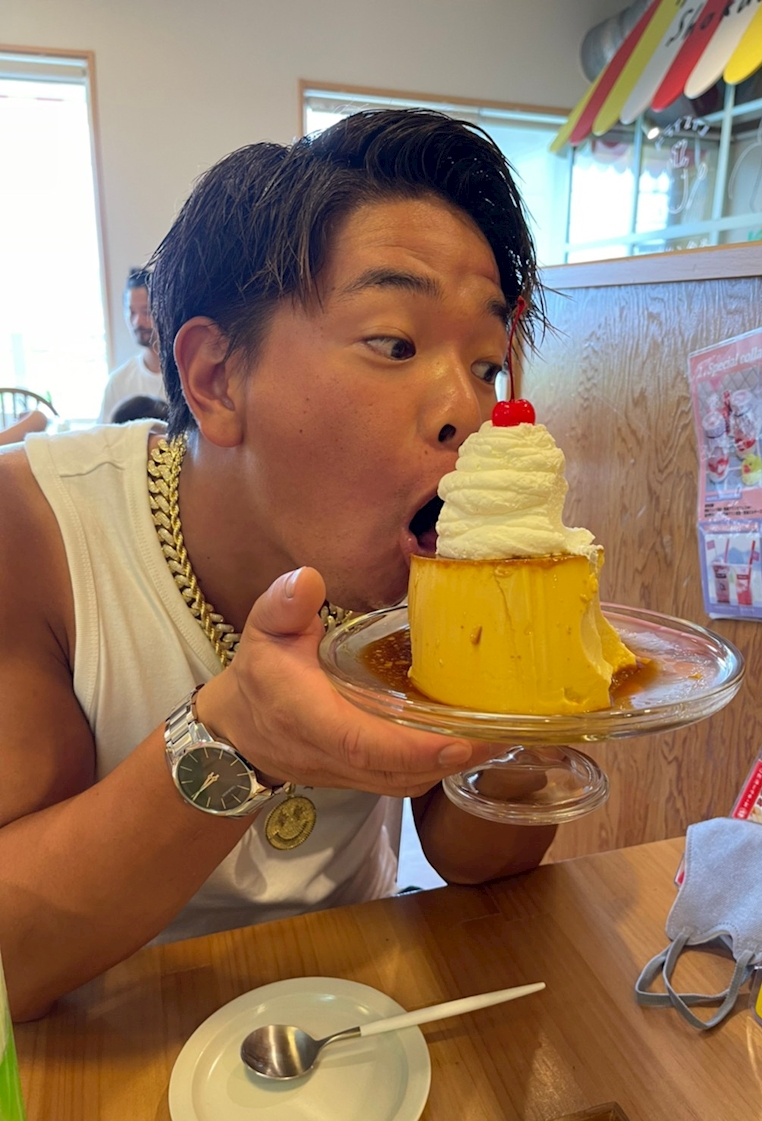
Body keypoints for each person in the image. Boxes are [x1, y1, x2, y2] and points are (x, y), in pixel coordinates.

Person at [0, 109, 557, 1022]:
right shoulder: (32, 527)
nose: (468, 407)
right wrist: (239, 736)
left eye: (487, 363)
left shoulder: (411, 551)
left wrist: (531, 698)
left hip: (358, 1014)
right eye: (397, 343)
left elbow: (470, 857)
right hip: (110, 1036)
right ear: (216, 377)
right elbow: (13, 957)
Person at [97, 268, 166, 423]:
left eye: (146, 312)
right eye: (132, 312)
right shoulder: (118, 382)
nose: (137, 322)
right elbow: (106, 434)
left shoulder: (186, 376)